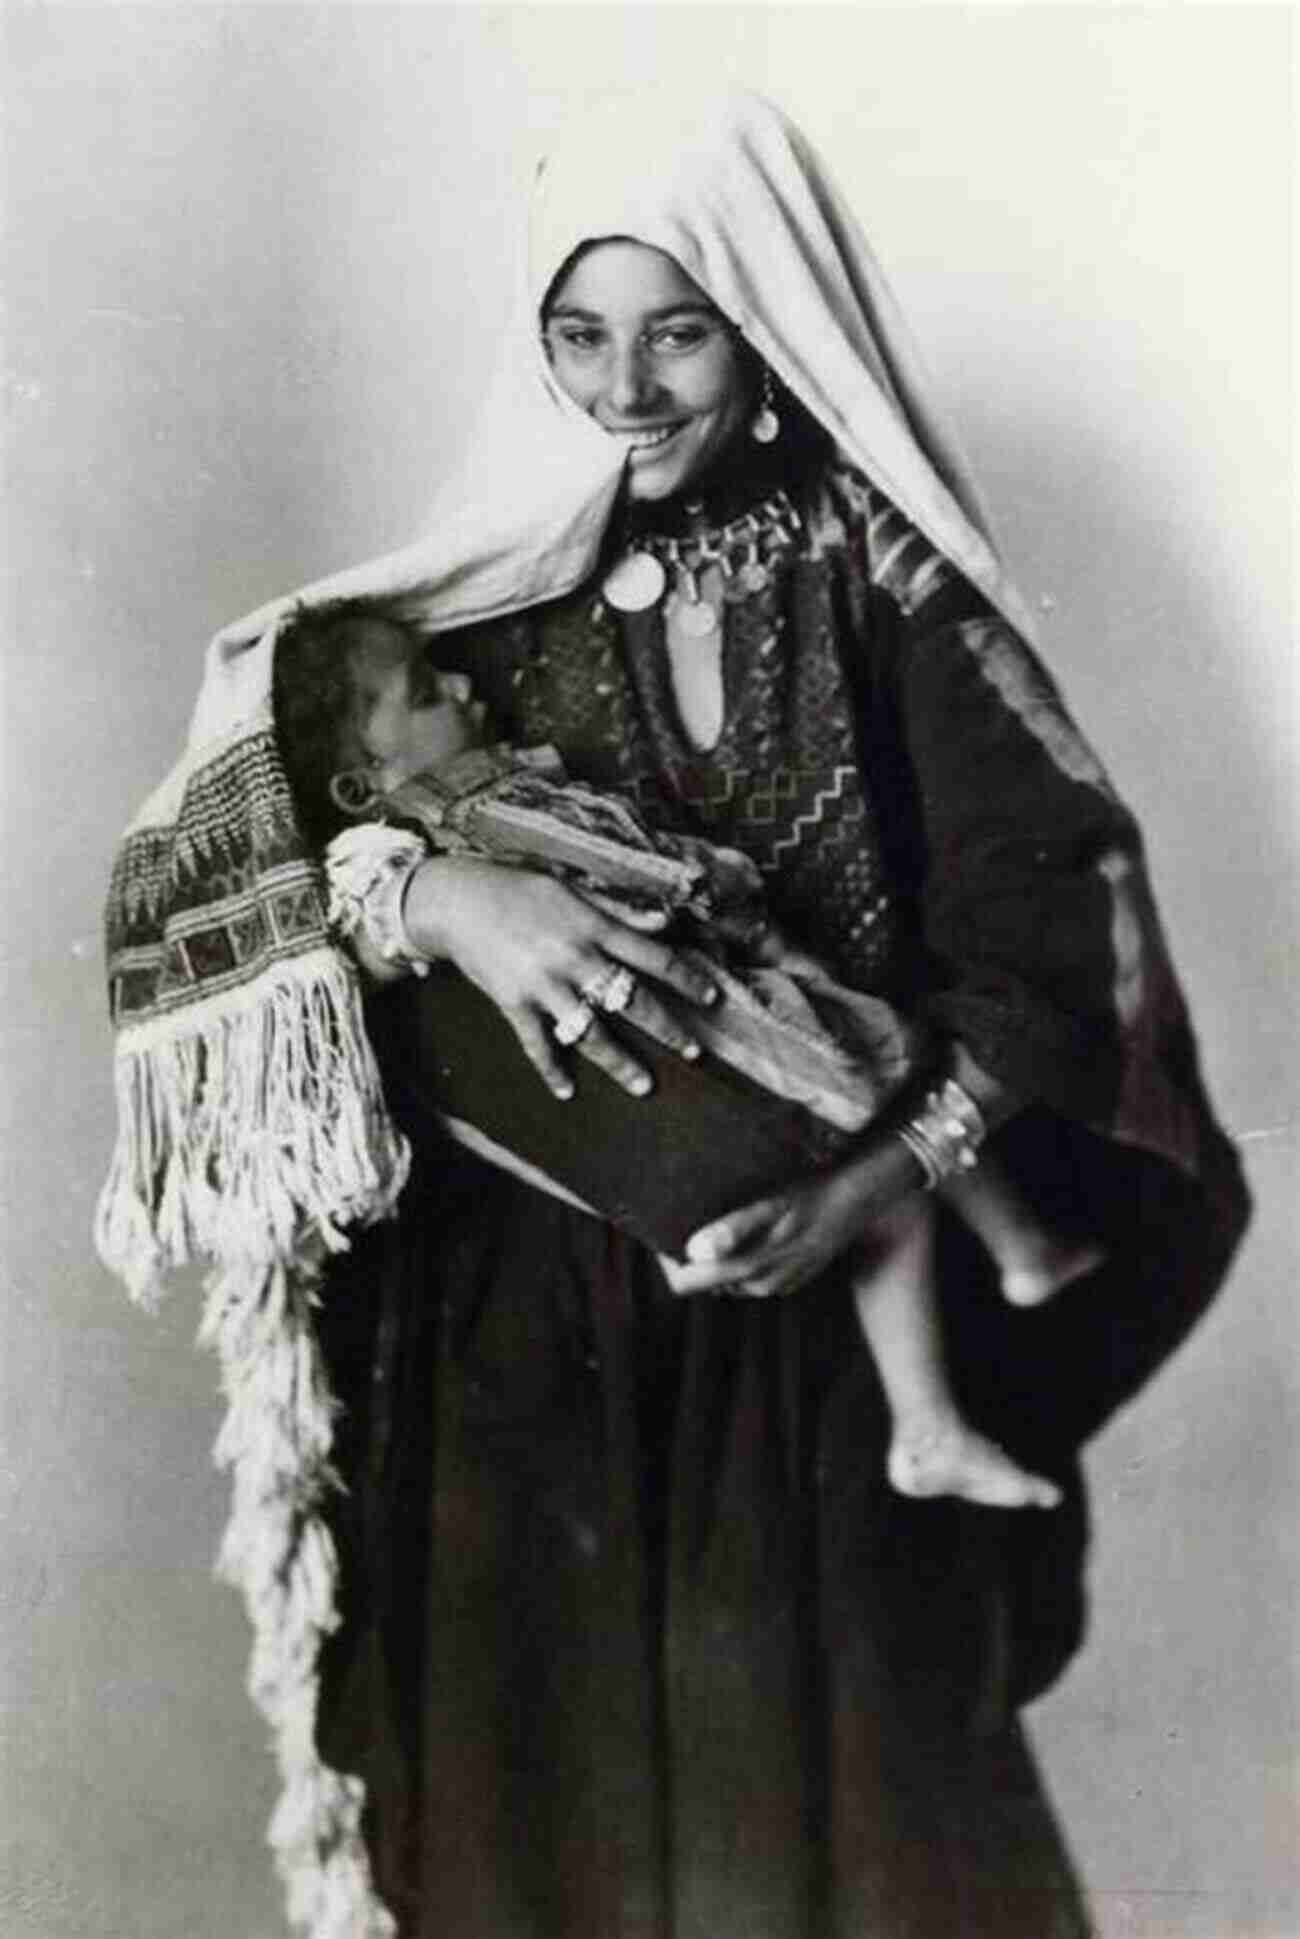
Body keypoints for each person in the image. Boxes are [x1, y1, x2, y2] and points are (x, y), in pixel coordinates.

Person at [96, 93, 1249, 1939]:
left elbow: (1052, 920)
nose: (623, 388)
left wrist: (880, 1177)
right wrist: (438, 893)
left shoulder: (881, 579)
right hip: (509, 1364)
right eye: (577, 334)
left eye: (678, 329)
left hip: (804, 1343)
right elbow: (215, 875)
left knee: (846, 1844)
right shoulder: (459, 598)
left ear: (766, 321)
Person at [277, 595, 1103, 1511]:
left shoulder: (462, 804)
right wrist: (698, 884)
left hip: (661, 1077)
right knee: (892, 1087)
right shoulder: (467, 814)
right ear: (363, 783)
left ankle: (978, 1326)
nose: (465, 688)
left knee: (888, 1128)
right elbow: (610, 864)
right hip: (683, 1043)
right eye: (428, 691)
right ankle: (969, 1347)